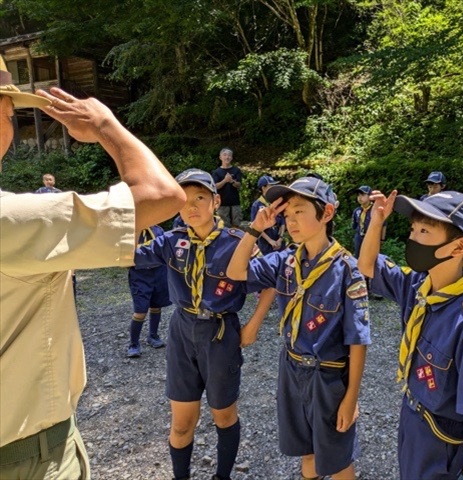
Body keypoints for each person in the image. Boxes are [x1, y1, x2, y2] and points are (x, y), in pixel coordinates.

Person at [1, 55, 185, 480]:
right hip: (27, 457)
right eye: (9, 112)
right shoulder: (11, 220)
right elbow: (160, 193)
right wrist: (106, 126)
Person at [134, 168, 276, 480]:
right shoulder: (171, 242)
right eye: (184, 200)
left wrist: (253, 325)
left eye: (200, 197)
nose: (192, 206)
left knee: (224, 415)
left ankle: (222, 476)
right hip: (182, 331)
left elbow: (270, 280)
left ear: (215, 201)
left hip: (221, 333)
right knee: (182, 422)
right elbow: (129, 256)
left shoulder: (238, 241)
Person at [227, 176, 371, 480]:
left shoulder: (346, 270)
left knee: (337, 460)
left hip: (329, 377)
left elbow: (358, 340)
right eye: (287, 215)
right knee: (307, 451)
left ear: (327, 213)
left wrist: (351, 398)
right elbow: (235, 271)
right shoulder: (285, 261)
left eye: (300, 212)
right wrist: (255, 229)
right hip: (291, 370)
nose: (291, 222)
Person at [358, 190, 463, 480]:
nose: (413, 238)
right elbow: (367, 267)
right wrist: (376, 222)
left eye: (425, 231)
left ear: (458, 246)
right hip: (413, 417)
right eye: (413, 228)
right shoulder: (418, 286)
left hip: (443, 441)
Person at [126, 225, 171, 358]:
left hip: (159, 272)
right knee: (140, 311)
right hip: (140, 274)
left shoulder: (158, 230)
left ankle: (153, 335)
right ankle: (133, 344)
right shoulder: (132, 232)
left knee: (156, 306)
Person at [250, 175, 285, 254]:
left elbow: (283, 221)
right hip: (266, 243)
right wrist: (270, 241)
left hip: (279, 241)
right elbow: (255, 225)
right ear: (263, 188)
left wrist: (280, 238)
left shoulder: (276, 202)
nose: (273, 188)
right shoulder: (257, 205)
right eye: (271, 186)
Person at [212, 147, 243, 227]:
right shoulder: (216, 172)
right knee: (224, 225)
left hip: (235, 202)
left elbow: (239, 185)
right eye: (225, 155)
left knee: (237, 224)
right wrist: (225, 180)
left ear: (232, 157)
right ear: (220, 157)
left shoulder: (236, 170)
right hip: (222, 204)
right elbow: (215, 187)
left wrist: (232, 181)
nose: (227, 157)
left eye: (229, 155)